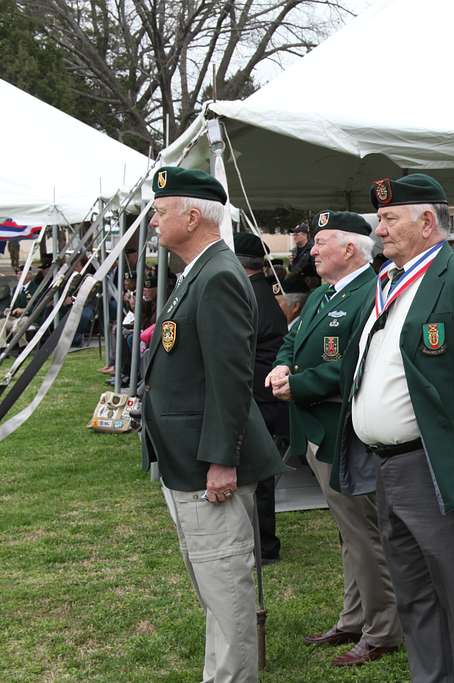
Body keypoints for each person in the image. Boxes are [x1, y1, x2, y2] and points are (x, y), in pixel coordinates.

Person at [335, 173, 454, 683]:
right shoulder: (385, 283)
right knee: (415, 597)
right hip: (388, 467)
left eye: (390, 219)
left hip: (437, 468)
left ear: (428, 222)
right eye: (380, 220)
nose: (380, 230)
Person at [140, 166, 285, 682]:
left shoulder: (219, 274)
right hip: (190, 461)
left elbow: (230, 379)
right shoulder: (201, 269)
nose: (153, 222)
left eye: (160, 212)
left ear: (193, 214)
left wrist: (222, 459)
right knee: (213, 588)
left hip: (210, 466)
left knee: (225, 590)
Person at [266, 210, 403, 667]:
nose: (312, 250)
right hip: (317, 430)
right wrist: (285, 365)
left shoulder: (371, 293)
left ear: (349, 248)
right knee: (349, 532)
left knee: (364, 534)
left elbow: (355, 365)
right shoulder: (326, 293)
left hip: (344, 431)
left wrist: (300, 384)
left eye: (321, 242)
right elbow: (294, 339)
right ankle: (354, 618)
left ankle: (383, 629)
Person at [232, 232, 288, 564]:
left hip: (259, 400)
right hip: (263, 398)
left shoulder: (250, 297)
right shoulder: (259, 292)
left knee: (257, 478)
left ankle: (263, 545)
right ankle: (262, 542)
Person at [284, 222, 316, 290]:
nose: (294, 237)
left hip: (309, 286)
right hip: (296, 284)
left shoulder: (312, 249)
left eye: (296, 235)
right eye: (293, 235)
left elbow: (313, 269)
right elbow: (291, 269)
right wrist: (291, 262)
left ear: (305, 235)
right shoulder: (295, 250)